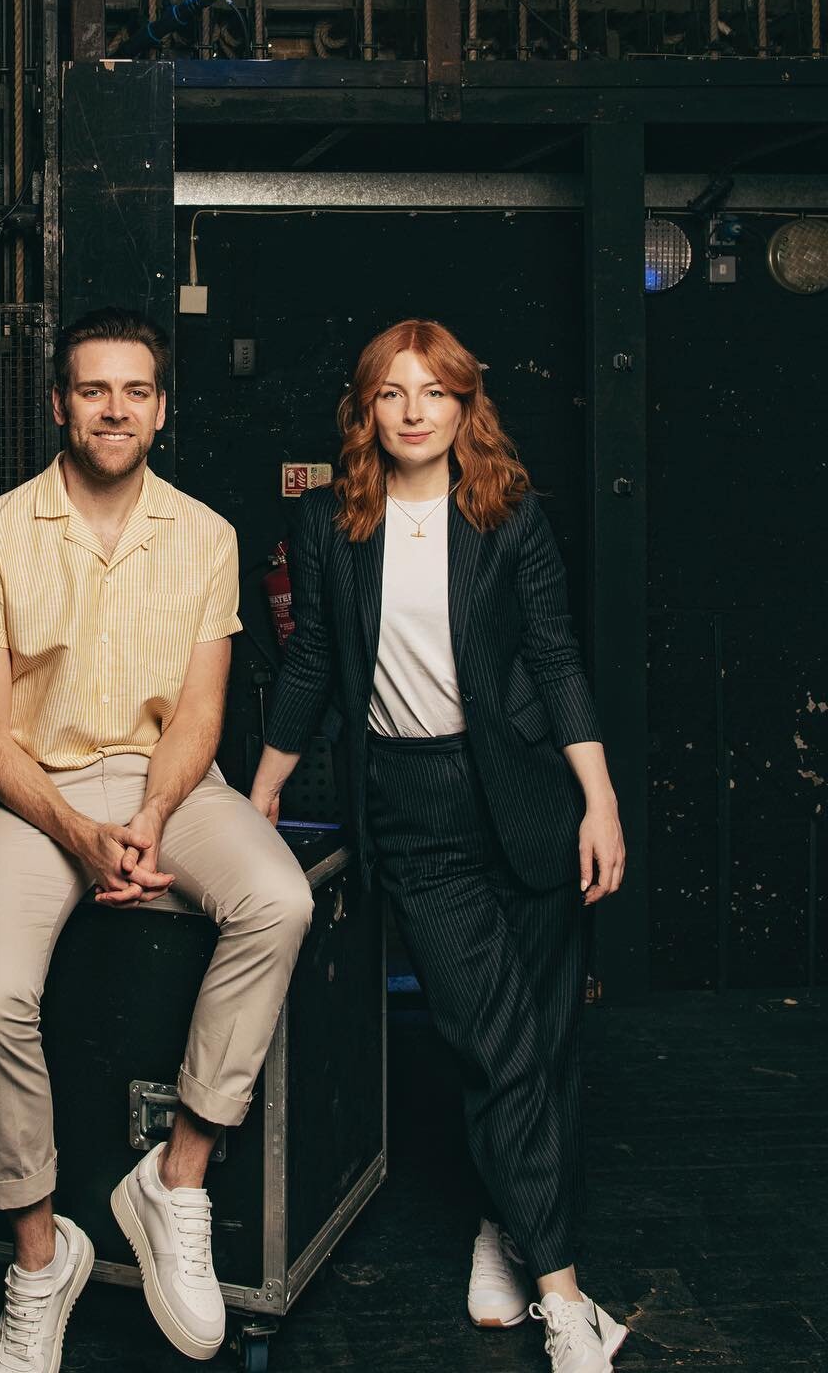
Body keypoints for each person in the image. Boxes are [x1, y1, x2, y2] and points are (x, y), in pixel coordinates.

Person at [0, 306, 313, 1373]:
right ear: (60, 404)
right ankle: (40, 1256)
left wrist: (146, 818)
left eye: (135, 391)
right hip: (30, 792)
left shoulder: (204, 535)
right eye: (93, 390)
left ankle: (175, 1178)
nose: (114, 408)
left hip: (168, 785)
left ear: (159, 407)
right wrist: (78, 831)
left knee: (281, 901)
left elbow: (198, 715)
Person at [250, 318, 628, 1373]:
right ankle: (565, 1299)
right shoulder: (330, 524)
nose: (413, 411)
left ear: (467, 406)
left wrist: (599, 802)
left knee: (543, 1048)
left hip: (525, 798)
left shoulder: (507, 517)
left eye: (435, 392)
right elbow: (314, 657)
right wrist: (266, 786)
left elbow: (555, 657)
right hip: (415, 812)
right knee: (496, 1044)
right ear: (365, 410)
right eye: (391, 393)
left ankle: (503, 1235)